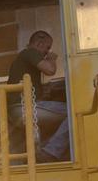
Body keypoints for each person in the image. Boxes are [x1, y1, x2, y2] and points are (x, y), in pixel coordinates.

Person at [7, 29, 70, 161]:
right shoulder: (30, 52)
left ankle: (40, 152)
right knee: (73, 112)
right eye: (47, 48)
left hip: (16, 109)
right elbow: (50, 70)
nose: (47, 52)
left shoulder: (21, 59)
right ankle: (51, 151)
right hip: (25, 107)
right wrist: (52, 59)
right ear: (39, 44)